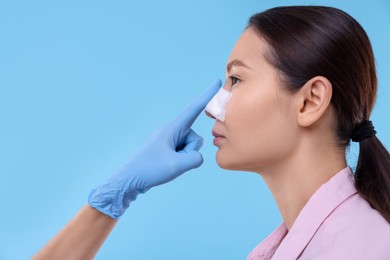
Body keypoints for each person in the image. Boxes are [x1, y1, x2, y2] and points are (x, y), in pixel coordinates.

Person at [33, 6, 390, 260]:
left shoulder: (360, 247)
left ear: (310, 101)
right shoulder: (298, 243)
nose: (212, 108)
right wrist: (112, 200)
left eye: (236, 79)